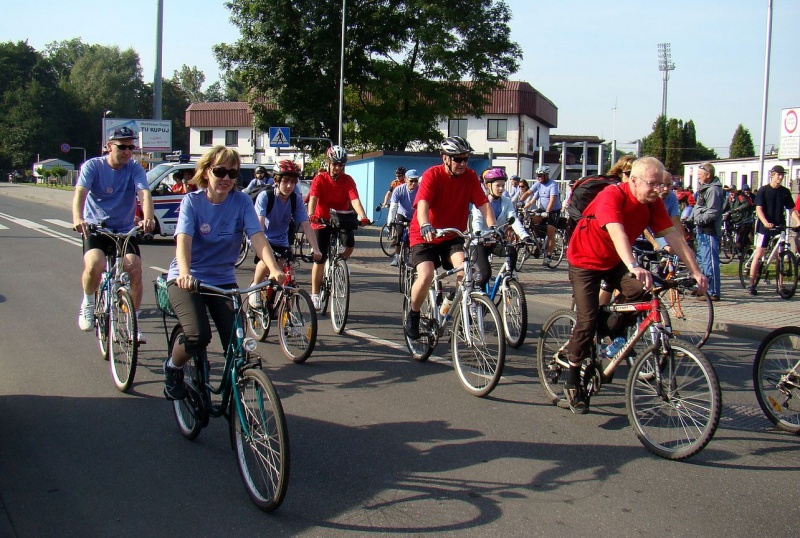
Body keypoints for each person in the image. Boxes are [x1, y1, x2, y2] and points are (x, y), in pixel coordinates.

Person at [565, 156, 707, 414]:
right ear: (633, 180)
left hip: (616, 259)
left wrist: (696, 271)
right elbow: (617, 230)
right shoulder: (613, 195)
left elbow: (673, 236)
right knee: (586, 320)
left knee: (642, 294)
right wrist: (633, 265)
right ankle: (573, 376)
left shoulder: (652, 203)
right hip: (585, 259)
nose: (659, 190)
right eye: (652, 184)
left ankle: (609, 328)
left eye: (662, 184)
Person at [162, 146, 283, 401]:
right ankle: (172, 367)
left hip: (223, 280)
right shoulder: (192, 202)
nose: (227, 178)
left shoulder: (240, 201)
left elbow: (257, 236)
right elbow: (183, 241)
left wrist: (273, 269)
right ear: (207, 172)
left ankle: (236, 402)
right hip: (188, 278)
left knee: (237, 346)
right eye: (220, 171)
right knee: (198, 336)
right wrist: (184, 273)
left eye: (233, 173)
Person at [404, 136, 496, 340]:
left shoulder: (470, 176)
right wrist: (426, 223)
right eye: (457, 159)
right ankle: (414, 314)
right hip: (425, 235)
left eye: (465, 159)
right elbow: (423, 204)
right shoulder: (432, 175)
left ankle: (457, 306)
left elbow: (483, 204)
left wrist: (493, 228)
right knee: (427, 275)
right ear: (445, 158)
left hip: (452, 236)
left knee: (466, 271)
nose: (463, 163)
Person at [72, 125, 155, 341]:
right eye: (122, 147)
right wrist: (78, 218)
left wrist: (147, 217)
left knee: (134, 267)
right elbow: (80, 194)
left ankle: (133, 322)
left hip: (124, 230)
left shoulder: (134, 168)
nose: (127, 152)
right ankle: (88, 303)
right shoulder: (93, 166)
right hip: (96, 228)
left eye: (131, 147)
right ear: (109, 146)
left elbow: (144, 193)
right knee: (95, 264)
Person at [248, 160, 322, 307]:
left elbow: (306, 225)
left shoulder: (295, 200)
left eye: (293, 182)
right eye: (285, 181)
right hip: (263, 238)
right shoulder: (266, 196)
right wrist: (261, 248)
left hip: (282, 240)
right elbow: (259, 226)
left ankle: (274, 306)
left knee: (282, 272)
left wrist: (316, 248)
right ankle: (254, 288)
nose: (289, 186)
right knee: (266, 260)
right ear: (276, 180)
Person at [306, 145, 370, 310]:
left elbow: (354, 199)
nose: (337, 168)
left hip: (342, 218)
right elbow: (313, 198)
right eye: (335, 164)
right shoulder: (320, 179)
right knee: (320, 257)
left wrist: (362, 215)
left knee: (350, 244)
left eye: (340, 165)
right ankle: (314, 294)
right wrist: (311, 214)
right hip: (321, 219)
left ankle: (339, 265)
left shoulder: (348, 180)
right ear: (329, 163)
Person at [470, 168, 531, 288]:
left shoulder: (507, 201)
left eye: (503, 185)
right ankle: (477, 301)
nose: (501, 189)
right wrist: (480, 234)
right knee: (485, 273)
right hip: (480, 242)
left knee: (511, 250)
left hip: (495, 241)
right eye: (498, 185)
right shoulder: (481, 201)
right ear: (488, 185)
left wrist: (525, 236)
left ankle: (510, 277)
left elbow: (514, 220)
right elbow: (477, 221)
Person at [748, 165, 800, 295]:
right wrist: (765, 222)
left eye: (782, 175)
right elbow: (758, 209)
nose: (780, 177)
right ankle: (751, 284)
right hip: (765, 227)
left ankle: (780, 285)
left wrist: (798, 221)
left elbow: (791, 209)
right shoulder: (763, 190)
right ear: (772, 174)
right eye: (778, 174)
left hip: (779, 226)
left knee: (780, 256)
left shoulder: (785, 191)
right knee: (759, 254)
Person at [692, 162, 724, 301]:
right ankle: (703, 289)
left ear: (708, 174)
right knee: (702, 261)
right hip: (701, 230)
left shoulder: (714, 190)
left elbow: (713, 211)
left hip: (709, 231)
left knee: (710, 261)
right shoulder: (703, 189)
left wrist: (699, 219)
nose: (698, 177)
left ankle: (713, 291)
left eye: (700, 174)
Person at [524, 165, 562, 267]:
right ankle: (538, 240)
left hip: (553, 210)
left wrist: (548, 212)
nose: (538, 177)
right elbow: (528, 193)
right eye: (537, 175)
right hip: (543, 208)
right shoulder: (538, 184)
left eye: (540, 176)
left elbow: (553, 199)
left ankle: (548, 256)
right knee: (531, 218)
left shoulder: (552, 184)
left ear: (546, 175)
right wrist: (519, 202)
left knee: (550, 233)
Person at [387, 168, 420, 267]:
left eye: (416, 181)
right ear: (405, 180)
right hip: (402, 214)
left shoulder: (420, 189)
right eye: (411, 181)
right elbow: (393, 207)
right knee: (399, 234)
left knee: (413, 238)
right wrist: (390, 222)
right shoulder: (398, 190)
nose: (414, 183)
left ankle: (410, 257)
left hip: (415, 215)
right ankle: (397, 257)